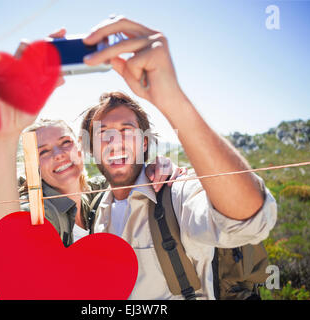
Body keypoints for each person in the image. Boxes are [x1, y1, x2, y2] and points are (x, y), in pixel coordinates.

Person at [73, 17, 278, 299]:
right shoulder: (94, 207)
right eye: (102, 133)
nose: (115, 140)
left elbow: (248, 222)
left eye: (126, 130)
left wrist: (171, 98)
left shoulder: (176, 193)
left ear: (145, 142)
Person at [0, 31, 185, 245]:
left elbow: (123, 179)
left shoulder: (95, 196)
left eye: (65, 143)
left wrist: (155, 166)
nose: (59, 155)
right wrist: (0, 139)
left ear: (81, 148)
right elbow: (6, 238)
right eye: (44, 151)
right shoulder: (40, 212)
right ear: (33, 165)